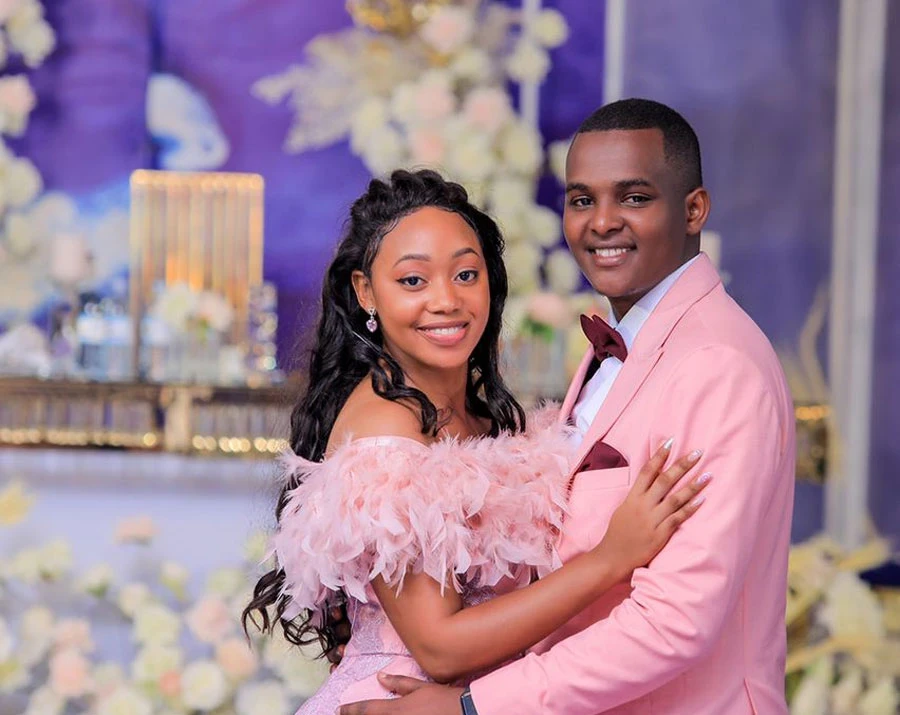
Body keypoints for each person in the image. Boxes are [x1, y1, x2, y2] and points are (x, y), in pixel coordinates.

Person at [339, 100, 796, 715]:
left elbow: (676, 619)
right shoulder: (619, 346)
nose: (602, 222)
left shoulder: (716, 365)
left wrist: (472, 706)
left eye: (634, 198)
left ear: (693, 210)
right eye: (582, 200)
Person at [243, 168, 710, 714]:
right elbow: (439, 649)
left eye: (466, 274)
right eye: (413, 281)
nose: (446, 301)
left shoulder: (475, 412)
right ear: (366, 291)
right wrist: (611, 558)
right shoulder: (387, 433)